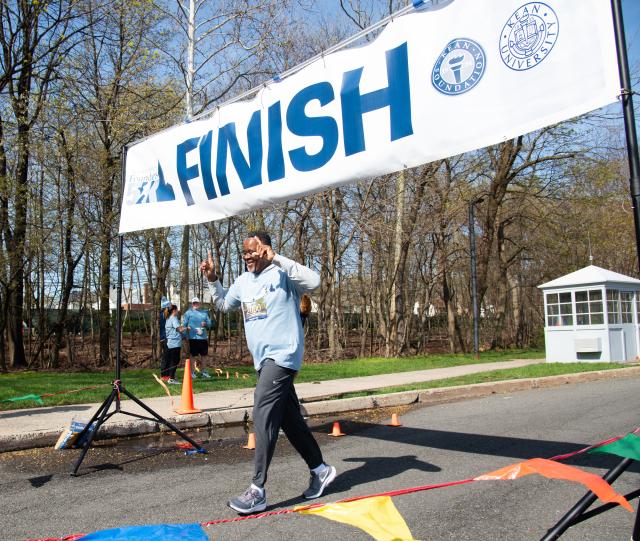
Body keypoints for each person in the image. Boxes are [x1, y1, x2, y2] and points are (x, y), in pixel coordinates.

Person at [200, 230, 335, 515]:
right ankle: (320, 470)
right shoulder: (243, 282)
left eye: (253, 250)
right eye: (244, 252)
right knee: (290, 421)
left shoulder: (282, 274)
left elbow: (315, 282)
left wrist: (277, 259)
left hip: (283, 356)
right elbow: (224, 304)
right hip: (263, 362)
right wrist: (213, 280)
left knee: (262, 412)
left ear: (265, 249)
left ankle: (257, 490)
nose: (248, 256)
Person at [182, 296, 213, 378]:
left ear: (200, 303)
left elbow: (210, 325)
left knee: (204, 355)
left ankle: (204, 372)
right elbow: (184, 325)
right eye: (194, 303)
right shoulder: (188, 313)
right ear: (192, 304)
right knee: (193, 355)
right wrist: (184, 336)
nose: (195, 304)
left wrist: (205, 324)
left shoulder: (204, 313)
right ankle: (192, 372)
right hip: (193, 338)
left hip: (203, 338)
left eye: (197, 303)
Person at [162, 304, 184, 385]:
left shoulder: (168, 318)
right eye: (177, 309)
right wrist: (187, 328)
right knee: (175, 360)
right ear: (174, 310)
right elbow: (179, 329)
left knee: (172, 360)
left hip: (170, 342)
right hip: (174, 343)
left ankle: (171, 376)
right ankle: (171, 378)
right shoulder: (173, 318)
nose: (178, 311)